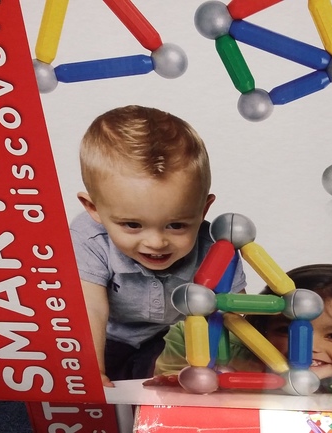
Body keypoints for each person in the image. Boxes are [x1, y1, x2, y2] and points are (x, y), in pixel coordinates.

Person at [70, 105, 247, 387]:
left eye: (176, 225)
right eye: (132, 225)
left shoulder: (215, 247)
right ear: (94, 208)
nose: (156, 242)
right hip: (104, 336)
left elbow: (235, 312)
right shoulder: (89, 238)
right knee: (97, 388)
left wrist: (245, 366)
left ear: (203, 210)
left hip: (161, 338)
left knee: (151, 390)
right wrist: (93, 371)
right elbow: (90, 309)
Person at [151, 264, 332, 404]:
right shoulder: (227, 357)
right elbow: (183, 340)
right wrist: (185, 376)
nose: (307, 347)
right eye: (285, 329)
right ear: (264, 329)